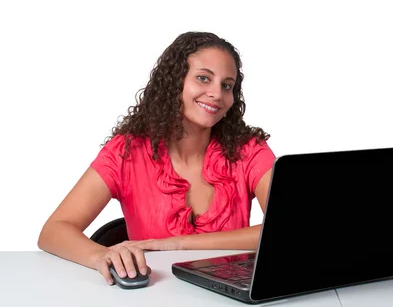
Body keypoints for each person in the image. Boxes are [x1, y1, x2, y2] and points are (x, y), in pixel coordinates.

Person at [37, 31, 275, 286]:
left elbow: (290, 229)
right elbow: (53, 230)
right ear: (175, 82)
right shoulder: (127, 153)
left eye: (226, 85)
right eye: (203, 78)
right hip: (153, 295)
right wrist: (101, 255)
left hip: (233, 296)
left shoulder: (249, 150)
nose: (217, 93)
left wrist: (178, 243)